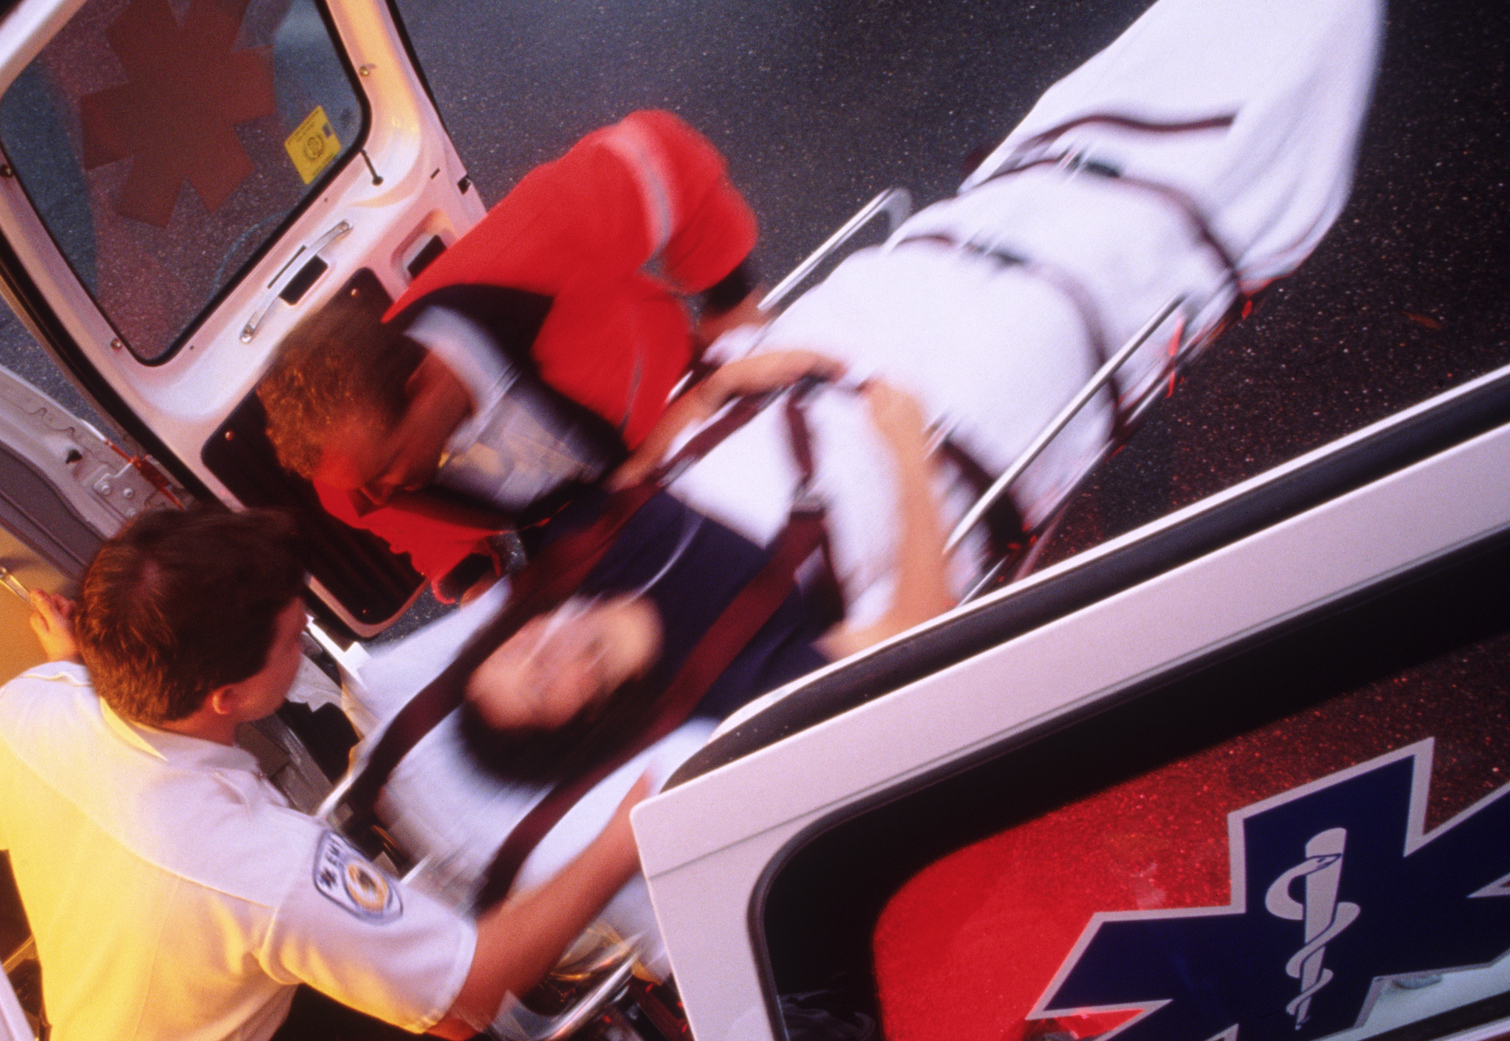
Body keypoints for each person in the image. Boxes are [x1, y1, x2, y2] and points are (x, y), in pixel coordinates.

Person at [342, 0, 1381, 947]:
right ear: (579, 717)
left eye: (510, 645)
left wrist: (724, 380)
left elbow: (646, 464)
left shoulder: (581, 564)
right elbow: (907, 639)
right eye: (537, 678)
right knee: (1100, 248)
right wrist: (892, 438)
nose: (536, 640)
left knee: (1025, 182)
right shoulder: (725, 696)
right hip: (941, 409)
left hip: (830, 351)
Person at [0, 507, 646, 1041]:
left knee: (332, 974)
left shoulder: (27, 706)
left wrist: (69, 668)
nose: (303, 646)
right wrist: (623, 837)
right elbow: (467, 1000)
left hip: (148, 1004)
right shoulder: (264, 862)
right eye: (293, 641)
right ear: (229, 699)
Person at [258, 110, 764, 594]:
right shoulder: (349, 469)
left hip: (680, 408)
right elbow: (389, 518)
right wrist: (465, 576)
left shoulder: (536, 244)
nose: (377, 497)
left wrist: (729, 298)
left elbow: (661, 156)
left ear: (420, 387)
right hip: (580, 520)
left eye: (381, 473)